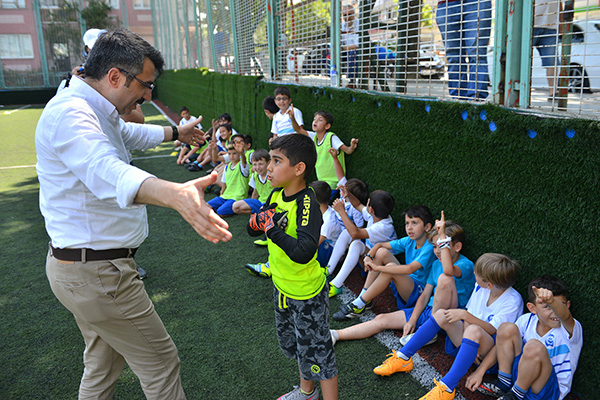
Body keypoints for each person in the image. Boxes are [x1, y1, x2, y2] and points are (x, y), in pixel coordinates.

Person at [35, 28, 231, 399]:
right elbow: (104, 168)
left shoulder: (92, 104)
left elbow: (125, 133)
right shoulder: (72, 114)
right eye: (145, 85)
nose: (148, 94)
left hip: (82, 270)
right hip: (98, 274)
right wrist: (172, 192)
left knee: (102, 366)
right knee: (161, 364)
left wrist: (176, 133)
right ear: (114, 77)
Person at [247, 134, 338, 400]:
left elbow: (304, 251)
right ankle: (307, 393)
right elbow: (252, 227)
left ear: (299, 169)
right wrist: (260, 221)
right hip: (282, 288)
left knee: (320, 354)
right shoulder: (275, 194)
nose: (269, 167)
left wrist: (271, 228)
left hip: (306, 294)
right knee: (300, 346)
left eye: (277, 161)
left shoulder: (307, 202)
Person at [372, 253, 524, 400]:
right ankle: (403, 357)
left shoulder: (512, 301)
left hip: (489, 355)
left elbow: (492, 330)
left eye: (476, 273)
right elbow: (471, 315)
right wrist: (467, 338)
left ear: (489, 285)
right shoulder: (480, 287)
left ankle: (447, 388)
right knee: (441, 314)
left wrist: (464, 317)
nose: (473, 273)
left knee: (473, 329)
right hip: (471, 342)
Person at [331, 213, 475, 347]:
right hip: (430, 310)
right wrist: (412, 320)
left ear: (457, 247)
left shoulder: (465, 265)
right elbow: (425, 295)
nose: (437, 251)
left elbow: (449, 271)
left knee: (445, 278)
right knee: (381, 319)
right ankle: (335, 335)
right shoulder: (436, 264)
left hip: (451, 317)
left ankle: (430, 331)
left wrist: (443, 234)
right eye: (435, 247)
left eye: (442, 246)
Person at [473, 276, 582, 400]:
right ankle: (504, 383)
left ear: (567, 305)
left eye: (559, 305)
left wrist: (551, 301)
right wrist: (480, 371)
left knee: (534, 346)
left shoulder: (571, 329)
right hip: (521, 379)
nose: (555, 312)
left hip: (548, 390)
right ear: (532, 308)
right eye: (547, 306)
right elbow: (500, 344)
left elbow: (565, 316)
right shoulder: (527, 320)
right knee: (506, 328)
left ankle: (515, 396)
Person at [332, 205, 436, 317]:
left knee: (390, 268)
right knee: (382, 252)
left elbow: (410, 268)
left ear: (427, 227)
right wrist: (368, 256)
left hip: (420, 294)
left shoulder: (430, 247)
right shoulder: (409, 241)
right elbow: (379, 245)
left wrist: (378, 268)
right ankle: (365, 297)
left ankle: (358, 304)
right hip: (408, 283)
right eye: (407, 223)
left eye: (414, 223)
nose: (409, 227)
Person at [327, 189, 397, 298]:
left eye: (368, 202)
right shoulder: (376, 215)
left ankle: (336, 284)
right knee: (346, 233)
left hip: (378, 269)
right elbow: (358, 204)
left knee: (356, 244)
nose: (366, 204)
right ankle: (328, 270)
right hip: (368, 260)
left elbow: (355, 234)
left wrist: (341, 211)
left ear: (371, 209)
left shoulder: (383, 227)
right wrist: (348, 194)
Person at [288, 108, 358, 194]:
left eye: (320, 120)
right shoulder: (314, 137)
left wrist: (352, 146)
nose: (315, 121)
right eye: (314, 119)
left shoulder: (331, 137)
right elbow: (298, 129)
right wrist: (292, 118)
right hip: (322, 182)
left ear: (327, 126)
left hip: (334, 183)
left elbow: (347, 150)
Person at [436, 0, 492, 100]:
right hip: (446, 3)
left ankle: (476, 99)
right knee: (453, 56)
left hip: (477, 2)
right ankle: (458, 99)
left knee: (477, 54)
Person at [206, 141, 250, 216]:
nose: (232, 156)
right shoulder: (227, 166)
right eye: (229, 154)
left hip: (237, 198)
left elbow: (244, 161)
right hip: (225, 196)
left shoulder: (243, 166)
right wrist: (221, 195)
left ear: (239, 154)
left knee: (220, 212)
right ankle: (221, 207)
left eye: (234, 153)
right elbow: (224, 183)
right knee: (206, 206)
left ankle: (223, 208)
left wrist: (242, 153)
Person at [533, 0, 563, 101]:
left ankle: (553, 92)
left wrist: (561, 23)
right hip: (531, 25)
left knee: (551, 61)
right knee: (522, 58)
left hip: (551, 27)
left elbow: (560, 5)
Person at [310, 180, 343, 269]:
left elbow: (317, 243)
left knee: (311, 246)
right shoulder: (320, 210)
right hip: (325, 246)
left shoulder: (328, 220)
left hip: (330, 250)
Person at [341, 5, 359, 88]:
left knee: (353, 52)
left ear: (354, 14)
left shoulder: (359, 24)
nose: (347, 17)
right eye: (345, 15)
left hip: (357, 51)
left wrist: (342, 48)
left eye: (350, 14)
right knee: (328, 53)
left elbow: (357, 45)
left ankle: (352, 82)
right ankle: (334, 79)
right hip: (344, 50)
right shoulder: (341, 26)